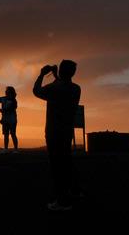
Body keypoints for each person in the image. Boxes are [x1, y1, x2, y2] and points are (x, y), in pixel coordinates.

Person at [33, 60, 81, 211]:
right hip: (67, 131)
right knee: (66, 162)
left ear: (61, 71)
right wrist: (56, 75)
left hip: (54, 131)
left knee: (57, 167)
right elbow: (62, 84)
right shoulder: (76, 88)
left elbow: (36, 91)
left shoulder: (55, 88)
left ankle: (62, 201)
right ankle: (72, 192)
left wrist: (41, 74)